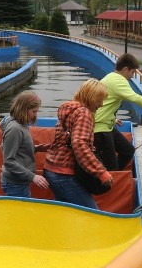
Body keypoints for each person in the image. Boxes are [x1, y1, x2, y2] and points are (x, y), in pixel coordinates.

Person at [43, 79, 113, 209]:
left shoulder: (68, 111)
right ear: (91, 98)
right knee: (91, 213)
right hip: (64, 174)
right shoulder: (84, 113)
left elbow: (62, 141)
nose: (101, 104)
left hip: (50, 169)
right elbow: (79, 144)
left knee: (66, 212)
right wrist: (101, 172)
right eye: (99, 100)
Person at [0, 91, 50, 198]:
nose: (35, 115)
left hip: (20, 182)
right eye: (34, 111)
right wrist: (33, 177)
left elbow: (21, 150)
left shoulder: (22, 125)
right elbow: (8, 161)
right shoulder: (15, 129)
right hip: (14, 184)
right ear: (23, 109)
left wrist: (43, 148)